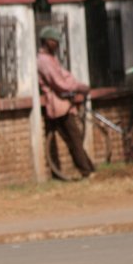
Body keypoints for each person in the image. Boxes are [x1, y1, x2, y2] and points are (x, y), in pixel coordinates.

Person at [37, 26, 95, 179]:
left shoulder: (51, 59)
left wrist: (76, 86)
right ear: (47, 41)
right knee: (74, 139)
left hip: (63, 103)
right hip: (59, 105)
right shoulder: (44, 61)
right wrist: (78, 87)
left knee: (73, 139)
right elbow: (59, 83)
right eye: (54, 41)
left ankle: (89, 168)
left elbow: (65, 76)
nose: (56, 44)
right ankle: (87, 171)